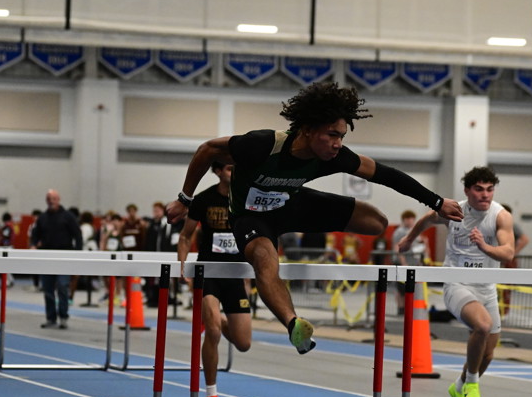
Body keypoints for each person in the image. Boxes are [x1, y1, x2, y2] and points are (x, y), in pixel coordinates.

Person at [165, 81, 463, 354]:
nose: (337, 143)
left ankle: (292, 306)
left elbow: (384, 174)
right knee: (265, 261)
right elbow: (207, 149)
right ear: (307, 130)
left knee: (376, 222)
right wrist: (184, 199)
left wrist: (436, 202)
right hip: (251, 217)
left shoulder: (335, 156)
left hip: (292, 205)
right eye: (332, 135)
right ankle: (294, 324)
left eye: (342, 136)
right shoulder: (263, 145)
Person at [395, 166, 513, 397]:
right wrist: (409, 239)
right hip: (457, 284)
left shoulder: (500, 216)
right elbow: (427, 219)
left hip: (486, 289)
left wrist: (484, 246)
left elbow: (508, 252)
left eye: (489, 189)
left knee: (487, 353)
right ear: (467, 191)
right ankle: (472, 385)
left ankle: (458, 388)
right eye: (479, 189)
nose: (485, 195)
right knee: (482, 326)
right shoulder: (454, 210)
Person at [178, 161, 253, 397]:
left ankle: (218, 321)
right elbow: (185, 236)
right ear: (218, 171)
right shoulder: (203, 199)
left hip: (235, 275)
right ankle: (211, 395)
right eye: (230, 168)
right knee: (211, 332)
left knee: (243, 343)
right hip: (208, 273)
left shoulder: (246, 198)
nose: (234, 173)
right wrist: (182, 269)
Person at [30, 189, 82, 329]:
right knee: (48, 289)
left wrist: (78, 254)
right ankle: (51, 318)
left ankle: (63, 316)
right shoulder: (42, 217)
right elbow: (35, 234)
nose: (51, 201)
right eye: (49, 199)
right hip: (46, 257)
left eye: (53, 198)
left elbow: (78, 235)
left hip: (64, 257)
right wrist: (33, 245)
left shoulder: (68, 216)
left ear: (58, 199)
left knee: (62, 286)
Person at [391, 209, 429, 315]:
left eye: (412, 219)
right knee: (400, 288)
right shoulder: (399, 232)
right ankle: (401, 308)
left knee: (412, 287)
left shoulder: (415, 231)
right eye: (408, 219)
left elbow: (421, 246)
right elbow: (397, 248)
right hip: (402, 263)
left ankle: (409, 307)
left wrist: (422, 260)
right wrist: (403, 263)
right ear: (404, 220)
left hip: (414, 262)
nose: (410, 221)